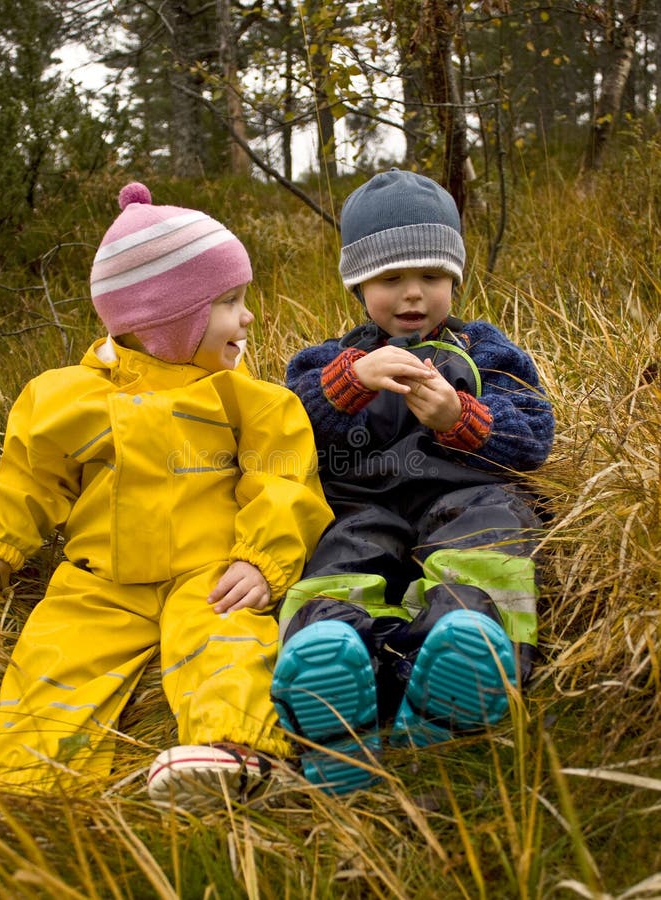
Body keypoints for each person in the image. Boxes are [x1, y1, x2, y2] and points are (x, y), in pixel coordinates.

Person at [0, 182, 333, 811]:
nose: (248, 317)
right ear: (164, 320)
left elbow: (282, 480)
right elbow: (30, 475)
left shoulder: (249, 400)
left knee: (227, 638)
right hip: (99, 579)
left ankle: (236, 751)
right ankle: (28, 791)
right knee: (56, 657)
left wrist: (260, 559)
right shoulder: (65, 397)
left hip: (208, 569)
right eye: (229, 302)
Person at [271, 169, 555, 794]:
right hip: (360, 502)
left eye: (431, 276)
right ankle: (333, 664)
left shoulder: (485, 352)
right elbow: (283, 429)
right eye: (391, 279)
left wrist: (464, 418)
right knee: (343, 552)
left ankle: (467, 650)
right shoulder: (328, 360)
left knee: (491, 530)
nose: (413, 295)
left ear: (454, 279)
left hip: (463, 493)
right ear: (359, 285)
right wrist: (347, 385)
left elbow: (535, 435)